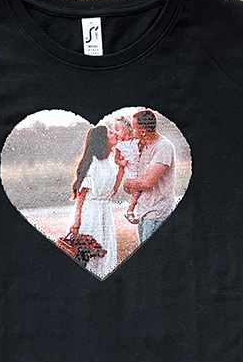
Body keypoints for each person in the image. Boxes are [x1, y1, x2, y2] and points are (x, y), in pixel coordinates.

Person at [66, 125, 119, 278]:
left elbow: (113, 190)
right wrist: (77, 221)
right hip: (90, 212)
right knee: (90, 252)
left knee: (105, 249)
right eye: (110, 132)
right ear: (103, 139)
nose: (114, 134)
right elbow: (81, 194)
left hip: (104, 211)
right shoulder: (93, 162)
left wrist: (122, 169)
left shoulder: (109, 161)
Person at [123, 110, 176, 243]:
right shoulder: (144, 146)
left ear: (143, 131)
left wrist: (127, 182)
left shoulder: (163, 147)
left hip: (157, 213)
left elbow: (147, 182)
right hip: (144, 213)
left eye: (133, 128)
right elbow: (139, 180)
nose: (131, 130)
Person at [110, 116, 144, 224]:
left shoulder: (137, 141)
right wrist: (121, 163)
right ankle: (130, 211)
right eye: (114, 130)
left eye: (117, 130)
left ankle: (140, 213)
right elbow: (116, 159)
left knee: (142, 193)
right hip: (131, 173)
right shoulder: (119, 146)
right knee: (136, 193)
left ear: (127, 129)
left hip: (140, 171)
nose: (115, 133)